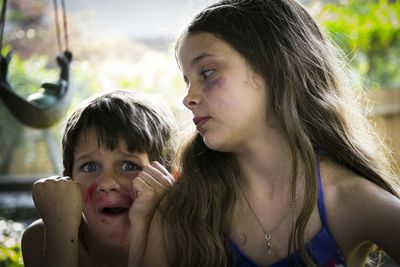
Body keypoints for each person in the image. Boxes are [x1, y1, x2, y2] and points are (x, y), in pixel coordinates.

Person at [140, 0, 400, 266]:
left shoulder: (349, 199)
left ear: (274, 69)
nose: (188, 98)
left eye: (206, 73)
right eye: (187, 80)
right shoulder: (186, 206)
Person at [21, 89, 177, 267]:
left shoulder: (187, 243)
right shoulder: (42, 238)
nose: (106, 183)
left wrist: (144, 225)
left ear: (167, 176)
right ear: (69, 181)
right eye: (90, 166)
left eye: (128, 166)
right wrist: (60, 233)